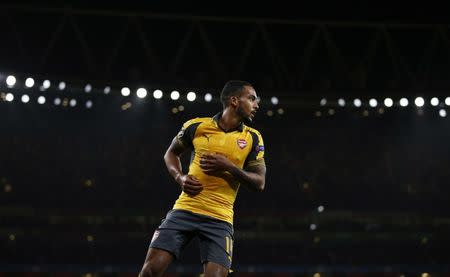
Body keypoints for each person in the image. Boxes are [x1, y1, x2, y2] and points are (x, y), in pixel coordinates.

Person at [138, 80, 266, 277]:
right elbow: (171, 154)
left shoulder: (253, 138)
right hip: (185, 209)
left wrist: (229, 166)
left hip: (220, 218)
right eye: (251, 98)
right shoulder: (197, 126)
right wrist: (180, 177)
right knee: (149, 271)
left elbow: (260, 182)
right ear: (234, 100)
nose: (256, 104)